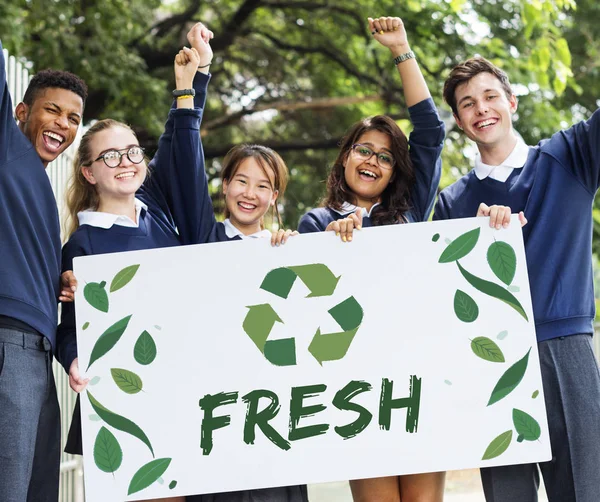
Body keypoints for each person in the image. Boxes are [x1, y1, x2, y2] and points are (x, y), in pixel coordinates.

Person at [434, 55, 600, 502]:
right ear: (458, 120)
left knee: (586, 492)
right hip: (493, 359)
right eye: (467, 104)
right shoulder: (453, 203)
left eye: (490, 96)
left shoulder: (569, 156)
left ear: (512, 101)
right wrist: (476, 236)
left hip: (566, 351)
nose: (481, 108)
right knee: (507, 496)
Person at [298, 16, 445, 502]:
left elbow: (429, 131)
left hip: (418, 378)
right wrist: (330, 244)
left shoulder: (411, 215)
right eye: (364, 149)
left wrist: (402, 50)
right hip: (358, 392)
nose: (372, 161)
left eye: (385, 157)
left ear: (393, 173)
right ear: (344, 158)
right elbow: (304, 313)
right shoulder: (314, 224)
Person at [0, 38, 87, 502]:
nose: (63, 124)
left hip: (39, 354)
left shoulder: (39, 188)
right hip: (7, 345)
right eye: (52, 111)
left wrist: (56, 281)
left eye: (73, 118)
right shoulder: (6, 148)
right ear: (19, 112)